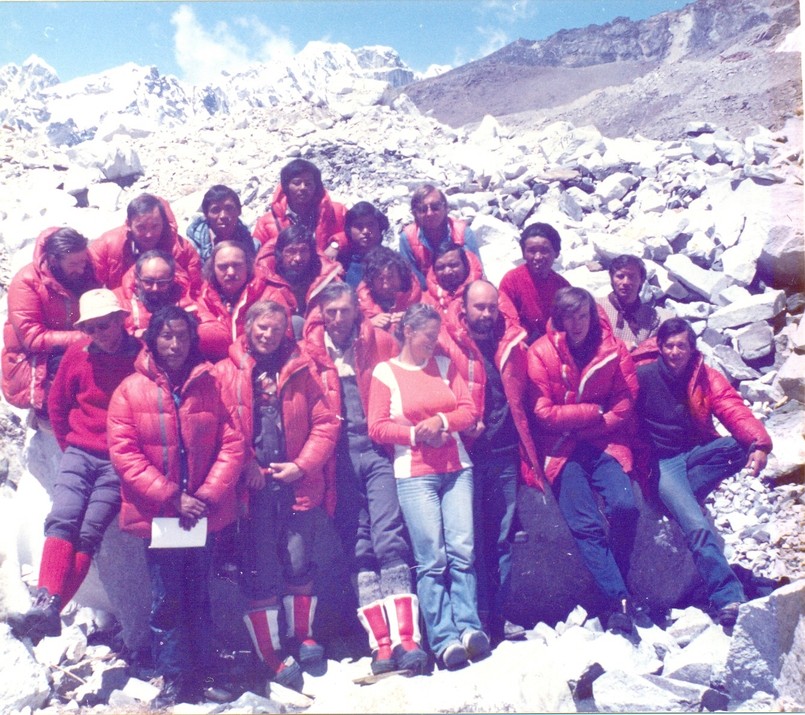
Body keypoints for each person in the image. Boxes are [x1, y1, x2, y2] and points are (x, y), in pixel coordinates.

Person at [107, 306, 244, 707]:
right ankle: (173, 674)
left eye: (182, 336)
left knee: (199, 592)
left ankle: (202, 672)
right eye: (166, 336)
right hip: (162, 514)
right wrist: (172, 496)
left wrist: (207, 496)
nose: (174, 344)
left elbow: (232, 442)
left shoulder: (211, 383)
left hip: (201, 511)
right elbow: (125, 454)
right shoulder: (130, 390)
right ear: (152, 339)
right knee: (167, 596)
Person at [302, 283, 427, 676]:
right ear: (321, 314)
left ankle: (408, 639)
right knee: (357, 542)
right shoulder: (308, 351)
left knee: (389, 533)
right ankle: (381, 643)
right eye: (331, 312)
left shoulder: (381, 342)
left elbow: (408, 384)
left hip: (376, 449)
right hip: (335, 457)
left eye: (344, 310)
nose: (338, 319)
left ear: (357, 309)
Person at [214, 301, 340, 692]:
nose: (267, 334)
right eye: (260, 327)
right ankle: (270, 652)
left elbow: (325, 422)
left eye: (275, 328)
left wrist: (302, 466)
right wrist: (245, 463)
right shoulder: (227, 371)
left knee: (299, 558)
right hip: (252, 488)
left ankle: (302, 635)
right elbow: (220, 423)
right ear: (248, 326)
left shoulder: (301, 369)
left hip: (295, 482)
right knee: (262, 567)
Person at [8, 290, 139, 644]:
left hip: (119, 458)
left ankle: (49, 610)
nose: (101, 334)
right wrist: (70, 446)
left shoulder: (141, 356)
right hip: (80, 452)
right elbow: (58, 403)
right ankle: (46, 603)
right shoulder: (76, 355)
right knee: (62, 518)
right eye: (92, 328)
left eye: (106, 325)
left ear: (121, 320)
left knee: (89, 533)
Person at [367, 303, 488, 670]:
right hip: (415, 473)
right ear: (407, 331)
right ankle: (443, 637)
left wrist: (440, 421)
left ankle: (469, 627)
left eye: (437, 336)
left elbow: (468, 411)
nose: (434, 342)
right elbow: (378, 425)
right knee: (431, 558)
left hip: (456, 469)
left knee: (462, 550)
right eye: (428, 336)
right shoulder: (385, 372)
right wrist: (417, 435)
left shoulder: (445, 366)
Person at [635, 318, 773, 627]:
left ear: (692, 348)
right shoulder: (642, 375)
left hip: (694, 454)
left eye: (681, 346)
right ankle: (728, 596)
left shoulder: (702, 375)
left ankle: (681, 494)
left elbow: (731, 406)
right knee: (696, 524)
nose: (674, 352)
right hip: (662, 463)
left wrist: (760, 443)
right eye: (668, 346)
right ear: (659, 347)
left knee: (740, 445)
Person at [527, 287, 645, 634]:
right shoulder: (541, 352)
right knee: (585, 523)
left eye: (583, 315)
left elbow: (625, 400)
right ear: (559, 318)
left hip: (602, 442)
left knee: (625, 506)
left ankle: (615, 584)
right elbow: (542, 412)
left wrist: (598, 425)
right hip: (561, 449)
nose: (577, 323)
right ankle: (619, 599)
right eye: (570, 316)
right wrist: (592, 412)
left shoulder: (613, 348)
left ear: (593, 316)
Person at [438, 280, 542, 644]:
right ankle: (472, 618)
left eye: (491, 307)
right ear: (463, 308)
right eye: (478, 307)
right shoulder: (446, 339)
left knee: (499, 538)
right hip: (464, 453)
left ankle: (498, 615)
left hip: (504, 453)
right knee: (467, 539)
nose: (485, 314)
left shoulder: (512, 341)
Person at [2, 227, 100, 422]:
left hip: (73, 343)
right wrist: (85, 337)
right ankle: (52, 416)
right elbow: (32, 337)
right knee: (72, 365)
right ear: (54, 260)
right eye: (74, 264)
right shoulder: (26, 282)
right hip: (33, 358)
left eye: (83, 261)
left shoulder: (84, 272)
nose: (81, 268)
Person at [90, 193, 202, 294]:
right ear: (129, 224)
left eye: (155, 226)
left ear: (163, 224)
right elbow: (90, 288)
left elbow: (196, 290)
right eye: (141, 227)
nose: (149, 234)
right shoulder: (106, 245)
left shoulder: (182, 248)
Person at [196, 242, 287, 361]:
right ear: (213, 269)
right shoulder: (203, 300)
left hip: (258, 365)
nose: (231, 272)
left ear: (248, 266)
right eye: (223, 266)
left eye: (237, 265)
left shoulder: (271, 295)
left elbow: (281, 341)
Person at [255, 225, 343, 339]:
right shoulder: (263, 280)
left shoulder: (328, 278)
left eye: (303, 251)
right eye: (291, 251)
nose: (298, 258)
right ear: (279, 254)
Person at [252, 159, 347, 259]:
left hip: (330, 271)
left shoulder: (336, 211)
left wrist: (336, 244)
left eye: (308, 183)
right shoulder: (266, 222)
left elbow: (357, 233)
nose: (303, 188)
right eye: (297, 183)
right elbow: (256, 257)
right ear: (286, 186)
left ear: (316, 186)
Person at [499, 222, 570, 345]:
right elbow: (504, 321)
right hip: (520, 345)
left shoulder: (562, 286)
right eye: (531, 251)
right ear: (523, 253)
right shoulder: (511, 281)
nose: (537, 257)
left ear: (556, 253)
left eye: (544, 251)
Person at [399, 184, 481, 288]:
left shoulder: (464, 232)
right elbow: (413, 279)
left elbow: (476, 271)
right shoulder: (407, 238)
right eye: (423, 209)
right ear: (415, 214)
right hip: (428, 295)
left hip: (462, 290)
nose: (429, 213)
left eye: (435, 207)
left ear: (446, 208)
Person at [597, 254, 673, 352]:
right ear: (612, 279)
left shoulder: (652, 318)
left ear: (641, 280)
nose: (625, 282)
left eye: (632, 277)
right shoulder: (596, 307)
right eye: (620, 276)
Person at [114, 251, 197, 338]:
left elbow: (208, 331)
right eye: (148, 282)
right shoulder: (116, 301)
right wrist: (132, 335)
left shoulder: (184, 300)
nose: (155, 288)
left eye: (162, 283)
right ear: (137, 279)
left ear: (172, 281)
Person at [186, 184, 259, 263]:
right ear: (206, 215)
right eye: (215, 210)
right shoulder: (191, 247)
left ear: (239, 211)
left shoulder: (253, 246)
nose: (223, 216)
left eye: (229, 208)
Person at [356, 246, 421, 334]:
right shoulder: (358, 305)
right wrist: (369, 324)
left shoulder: (419, 297)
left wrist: (413, 320)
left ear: (401, 275)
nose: (386, 285)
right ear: (371, 281)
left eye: (391, 277)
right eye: (380, 279)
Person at [335, 202, 390, 288]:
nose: (365, 231)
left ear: (380, 227)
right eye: (358, 226)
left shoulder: (392, 260)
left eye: (371, 225)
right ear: (349, 230)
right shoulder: (341, 263)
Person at [422, 242, 484, 316]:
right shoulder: (425, 303)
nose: (447, 272)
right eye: (440, 267)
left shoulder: (484, 294)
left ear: (466, 266)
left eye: (453, 265)